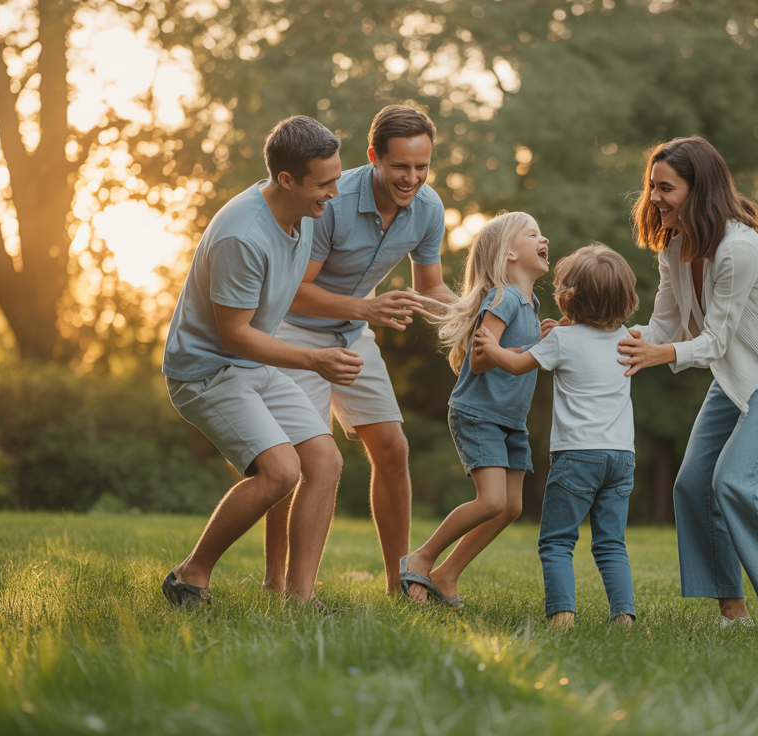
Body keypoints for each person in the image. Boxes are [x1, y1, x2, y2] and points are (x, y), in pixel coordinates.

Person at [617, 136, 758, 625]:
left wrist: (661, 354)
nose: (654, 198)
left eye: (665, 187)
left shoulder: (738, 249)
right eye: (651, 186)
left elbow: (714, 340)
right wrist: (596, 336)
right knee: (693, 482)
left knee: (736, 481)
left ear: (698, 190)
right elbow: (662, 325)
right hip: (738, 369)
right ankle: (731, 610)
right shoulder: (675, 244)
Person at [159, 115, 364, 608]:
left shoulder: (300, 214)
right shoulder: (242, 236)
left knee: (325, 460)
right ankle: (190, 574)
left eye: (338, 177)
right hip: (206, 372)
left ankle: (300, 598)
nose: (335, 192)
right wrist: (315, 359)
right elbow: (235, 335)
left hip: (250, 367)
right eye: (325, 182)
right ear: (286, 179)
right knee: (280, 472)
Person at [270, 105, 456, 594]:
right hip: (294, 331)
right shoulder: (332, 202)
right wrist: (365, 308)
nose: (411, 178)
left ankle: (400, 583)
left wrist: (479, 313)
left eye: (422, 167)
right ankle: (280, 585)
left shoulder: (429, 208)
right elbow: (293, 289)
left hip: (352, 333)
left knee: (393, 448)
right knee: (300, 459)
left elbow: (432, 289)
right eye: (400, 166)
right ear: (374, 156)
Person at [475, 244, 641, 630]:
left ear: (568, 298)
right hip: (621, 457)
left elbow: (517, 365)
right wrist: (559, 331)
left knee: (556, 541)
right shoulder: (628, 338)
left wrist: (491, 348)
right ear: (626, 298)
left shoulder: (562, 341)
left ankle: (562, 617)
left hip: (577, 457)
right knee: (611, 543)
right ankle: (624, 618)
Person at [398, 211, 551, 606]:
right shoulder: (504, 297)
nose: (543, 238)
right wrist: (521, 351)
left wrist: (550, 335)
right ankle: (422, 556)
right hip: (479, 412)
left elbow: (511, 349)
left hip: (509, 420)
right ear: (509, 254)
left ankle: (447, 574)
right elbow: (480, 358)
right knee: (491, 501)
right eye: (532, 233)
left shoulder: (530, 303)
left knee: (511, 506)